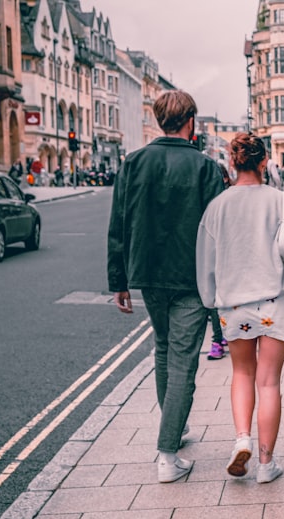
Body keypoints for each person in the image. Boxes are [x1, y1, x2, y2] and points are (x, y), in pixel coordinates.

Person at [107, 89, 226, 483]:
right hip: (192, 276)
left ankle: (173, 428)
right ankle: (167, 454)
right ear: (190, 120)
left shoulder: (133, 163)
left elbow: (119, 224)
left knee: (163, 350)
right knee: (182, 362)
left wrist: (118, 280)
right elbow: (217, 232)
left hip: (148, 274)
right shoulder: (206, 168)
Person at [197, 132, 284, 483]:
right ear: (264, 161)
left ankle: (242, 439)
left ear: (233, 162)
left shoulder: (217, 207)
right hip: (278, 304)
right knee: (268, 383)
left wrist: (210, 300)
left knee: (241, 374)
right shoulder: (282, 202)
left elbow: (205, 262)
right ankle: (266, 464)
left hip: (234, 306)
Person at [206, 164, 233, 361]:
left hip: (226, 253)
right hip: (216, 252)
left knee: (218, 300)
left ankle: (218, 339)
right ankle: (220, 338)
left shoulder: (228, 197)